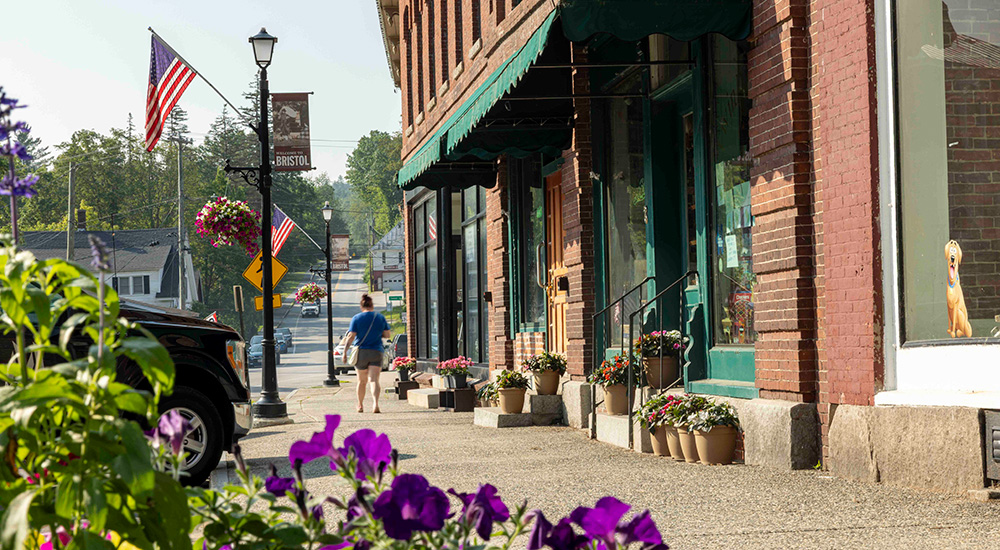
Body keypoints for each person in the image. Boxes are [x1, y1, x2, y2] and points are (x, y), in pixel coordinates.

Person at [343, 294, 391, 413]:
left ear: (361, 306)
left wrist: (344, 352)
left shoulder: (356, 318)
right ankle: (375, 404)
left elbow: (351, 336)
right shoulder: (380, 317)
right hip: (376, 351)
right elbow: (387, 335)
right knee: (374, 379)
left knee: (361, 381)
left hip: (362, 352)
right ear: (372, 305)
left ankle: (360, 405)